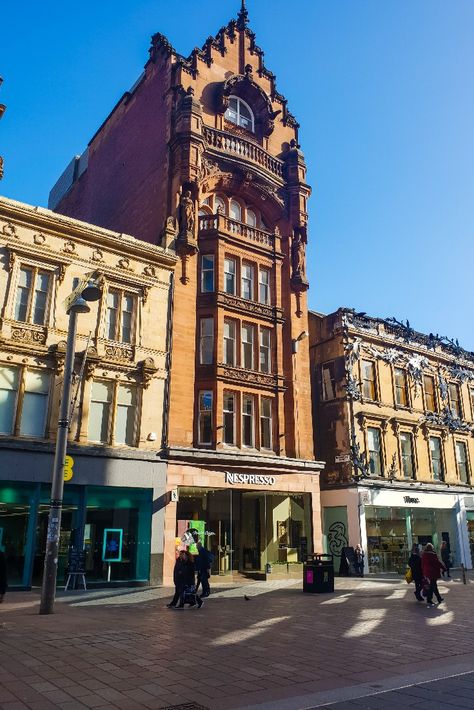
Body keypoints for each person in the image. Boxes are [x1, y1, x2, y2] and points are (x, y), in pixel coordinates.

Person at [421, 543, 445, 607]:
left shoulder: (424, 555)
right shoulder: (433, 555)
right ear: (432, 548)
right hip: (433, 572)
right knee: (433, 586)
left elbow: (422, 564)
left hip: (427, 572)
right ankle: (430, 599)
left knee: (433, 585)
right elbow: (437, 563)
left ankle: (438, 598)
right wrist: (443, 568)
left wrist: (423, 572)